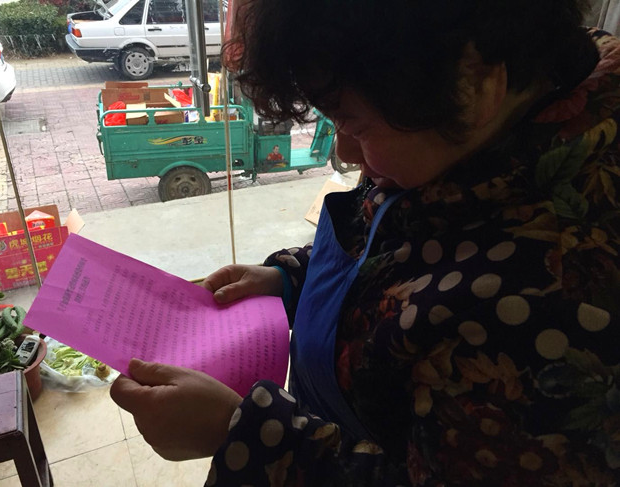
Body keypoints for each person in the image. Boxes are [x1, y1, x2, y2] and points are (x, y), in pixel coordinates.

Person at [110, 0, 620, 485]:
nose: (347, 152)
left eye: (355, 125)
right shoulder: (476, 117)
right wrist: (293, 278)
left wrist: (242, 437)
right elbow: (400, 240)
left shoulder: (552, 303)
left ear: (476, 86)